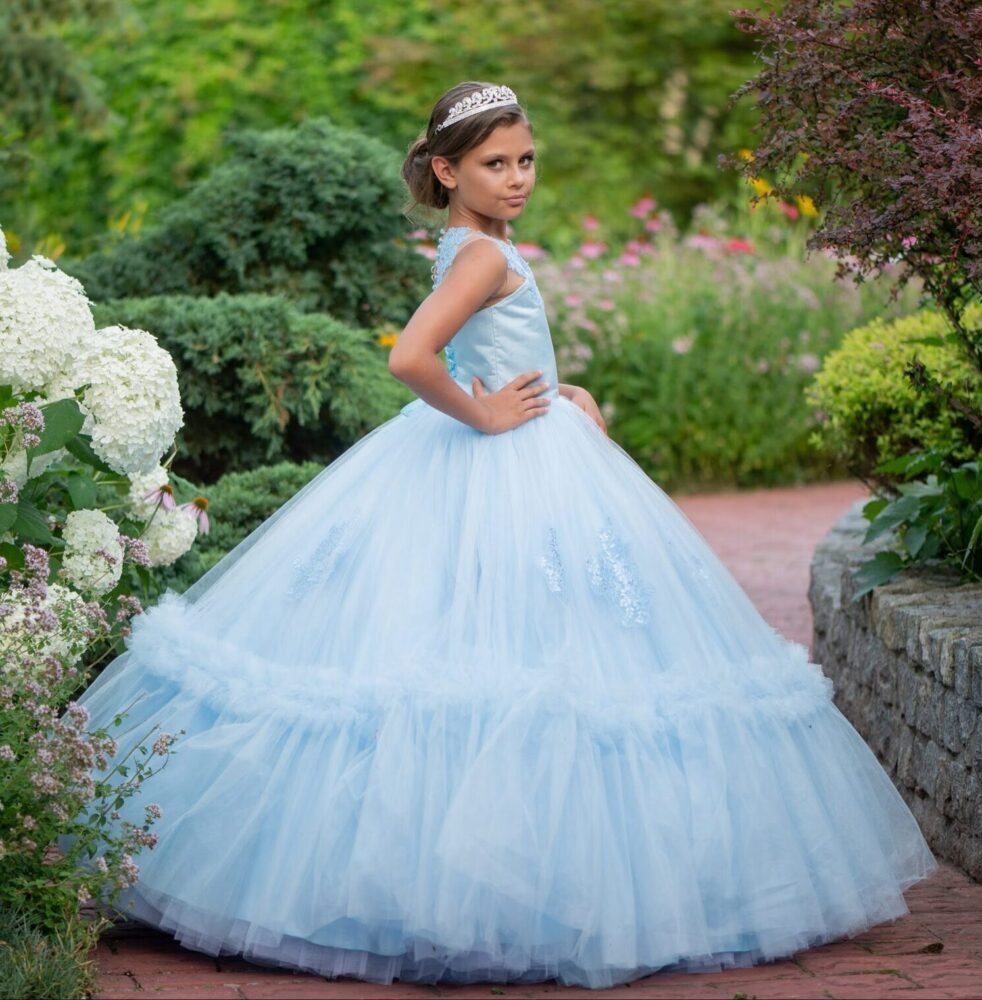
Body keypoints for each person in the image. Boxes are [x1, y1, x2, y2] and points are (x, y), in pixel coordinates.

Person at [64, 81, 937, 989]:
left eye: (525, 160)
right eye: (495, 164)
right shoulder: (480, 254)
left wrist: (561, 393)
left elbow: (496, 348)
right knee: (539, 656)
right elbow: (410, 356)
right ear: (448, 169)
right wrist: (484, 418)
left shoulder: (477, 242)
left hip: (532, 440)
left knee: (517, 649)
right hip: (497, 456)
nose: (517, 178)